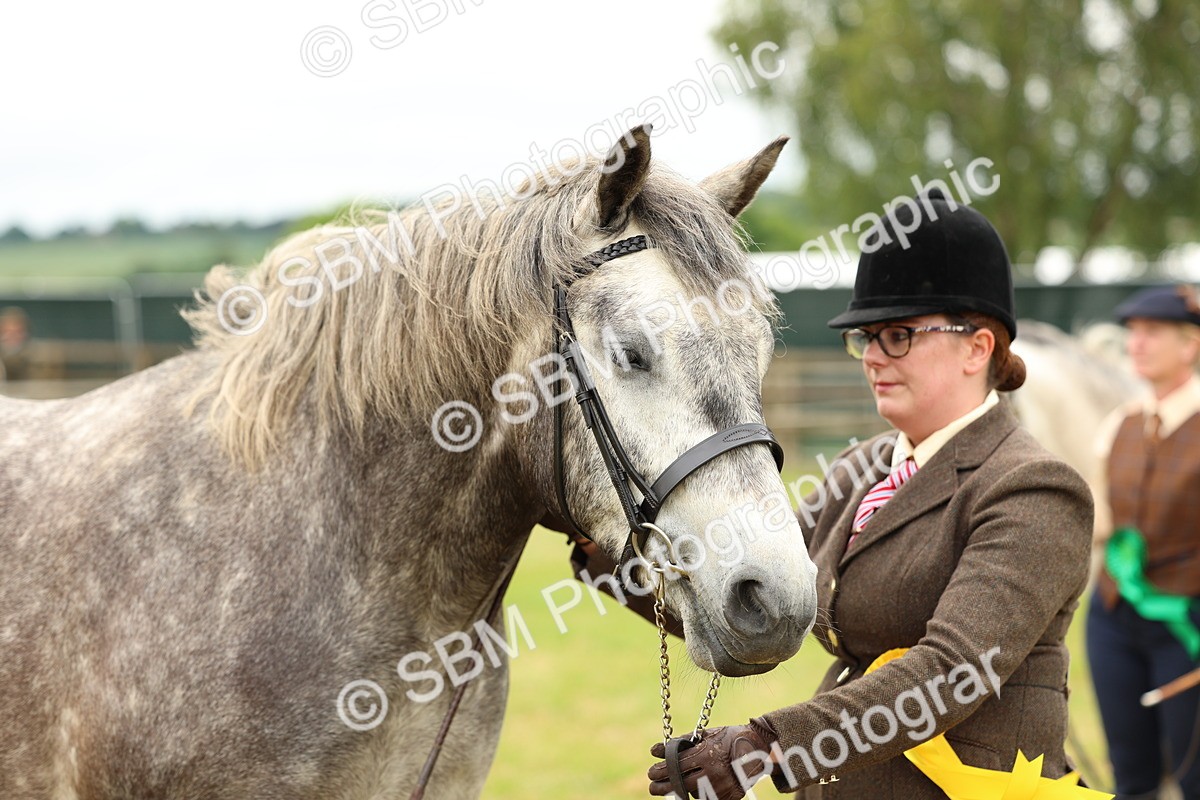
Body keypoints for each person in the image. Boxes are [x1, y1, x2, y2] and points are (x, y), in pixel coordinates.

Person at [641, 189, 1102, 799]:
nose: (875, 358)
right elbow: (758, 601)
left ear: (978, 346)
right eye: (866, 337)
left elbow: (954, 672)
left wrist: (767, 746)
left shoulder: (1035, 489)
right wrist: (601, 556)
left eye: (900, 335)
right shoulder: (861, 469)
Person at [1086, 284, 1200, 800]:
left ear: (1190, 344)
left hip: (1187, 623)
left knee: (1194, 774)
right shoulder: (1120, 424)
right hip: (1113, 616)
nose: (1137, 343)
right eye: (1132, 333)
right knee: (1130, 776)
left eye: (1152, 332)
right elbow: (1102, 526)